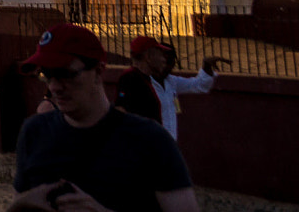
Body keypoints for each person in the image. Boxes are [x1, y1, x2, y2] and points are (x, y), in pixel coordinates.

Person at [12, 23, 197, 212]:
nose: (54, 86)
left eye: (66, 74)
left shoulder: (151, 141)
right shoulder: (34, 132)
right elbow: (21, 202)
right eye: (47, 75)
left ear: (99, 71)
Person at [116, 36, 225, 141]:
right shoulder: (132, 79)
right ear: (149, 57)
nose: (165, 63)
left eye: (171, 62)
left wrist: (206, 67)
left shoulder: (171, 81)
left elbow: (198, 85)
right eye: (162, 57)